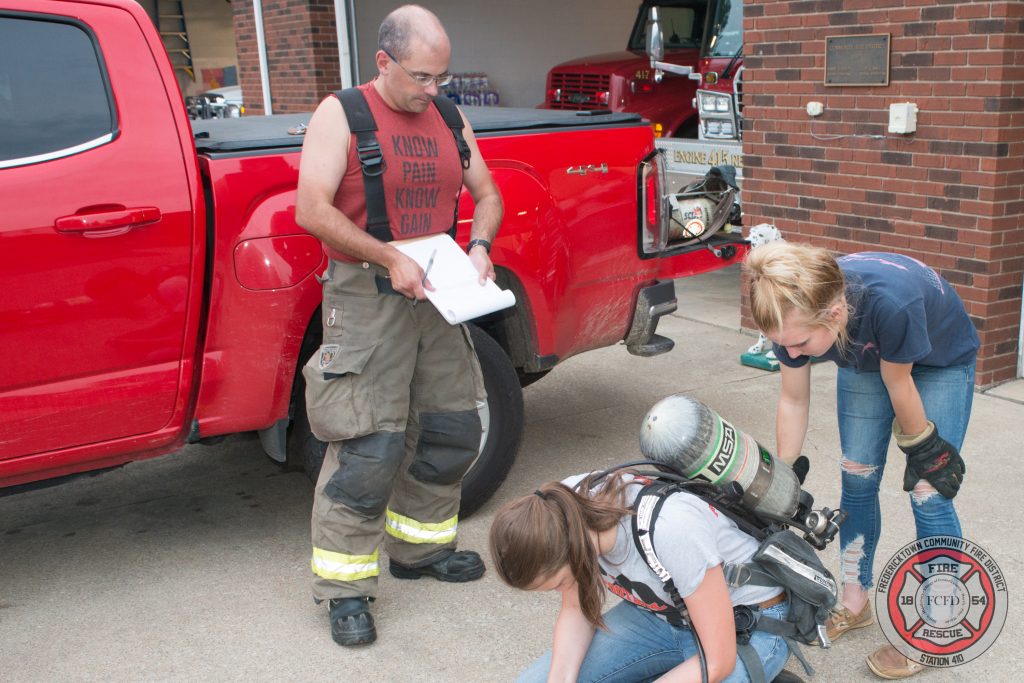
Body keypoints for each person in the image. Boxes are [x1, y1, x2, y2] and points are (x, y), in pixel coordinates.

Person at [294, 4, 503, 646]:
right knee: (367, 446)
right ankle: (345, 591)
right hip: (367, 294)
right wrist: (389, 257)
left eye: (442, 77)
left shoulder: (446, 113)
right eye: (420, 77)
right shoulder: (342, 115)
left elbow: (487, 194)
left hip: (439, 291)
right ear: (383, 62)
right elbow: (310, 210)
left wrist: (480, 245)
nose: (433, 90)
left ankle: (421, 551)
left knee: (450, 428)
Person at [745, 242, 977, 679]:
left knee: (931, 492)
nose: (790, 354)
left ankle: (938, 624)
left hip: (940, 360)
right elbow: (793, 399)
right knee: (856, 479)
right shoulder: (789, 314)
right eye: (782, 345)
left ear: (833, 315)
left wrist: (924, 449)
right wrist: (786, 473)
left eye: (798, 344)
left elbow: (900, 382)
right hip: (868, 356)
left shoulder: (891, 302)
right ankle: (855, 601)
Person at [490, 470, 794, 682]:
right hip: (662, 616)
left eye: (556, 583)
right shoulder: (560, 510)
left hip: (746, 625)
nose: (558, 592)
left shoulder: (671, 531)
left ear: (573, 549)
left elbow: (718, 662)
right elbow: (575, 608)